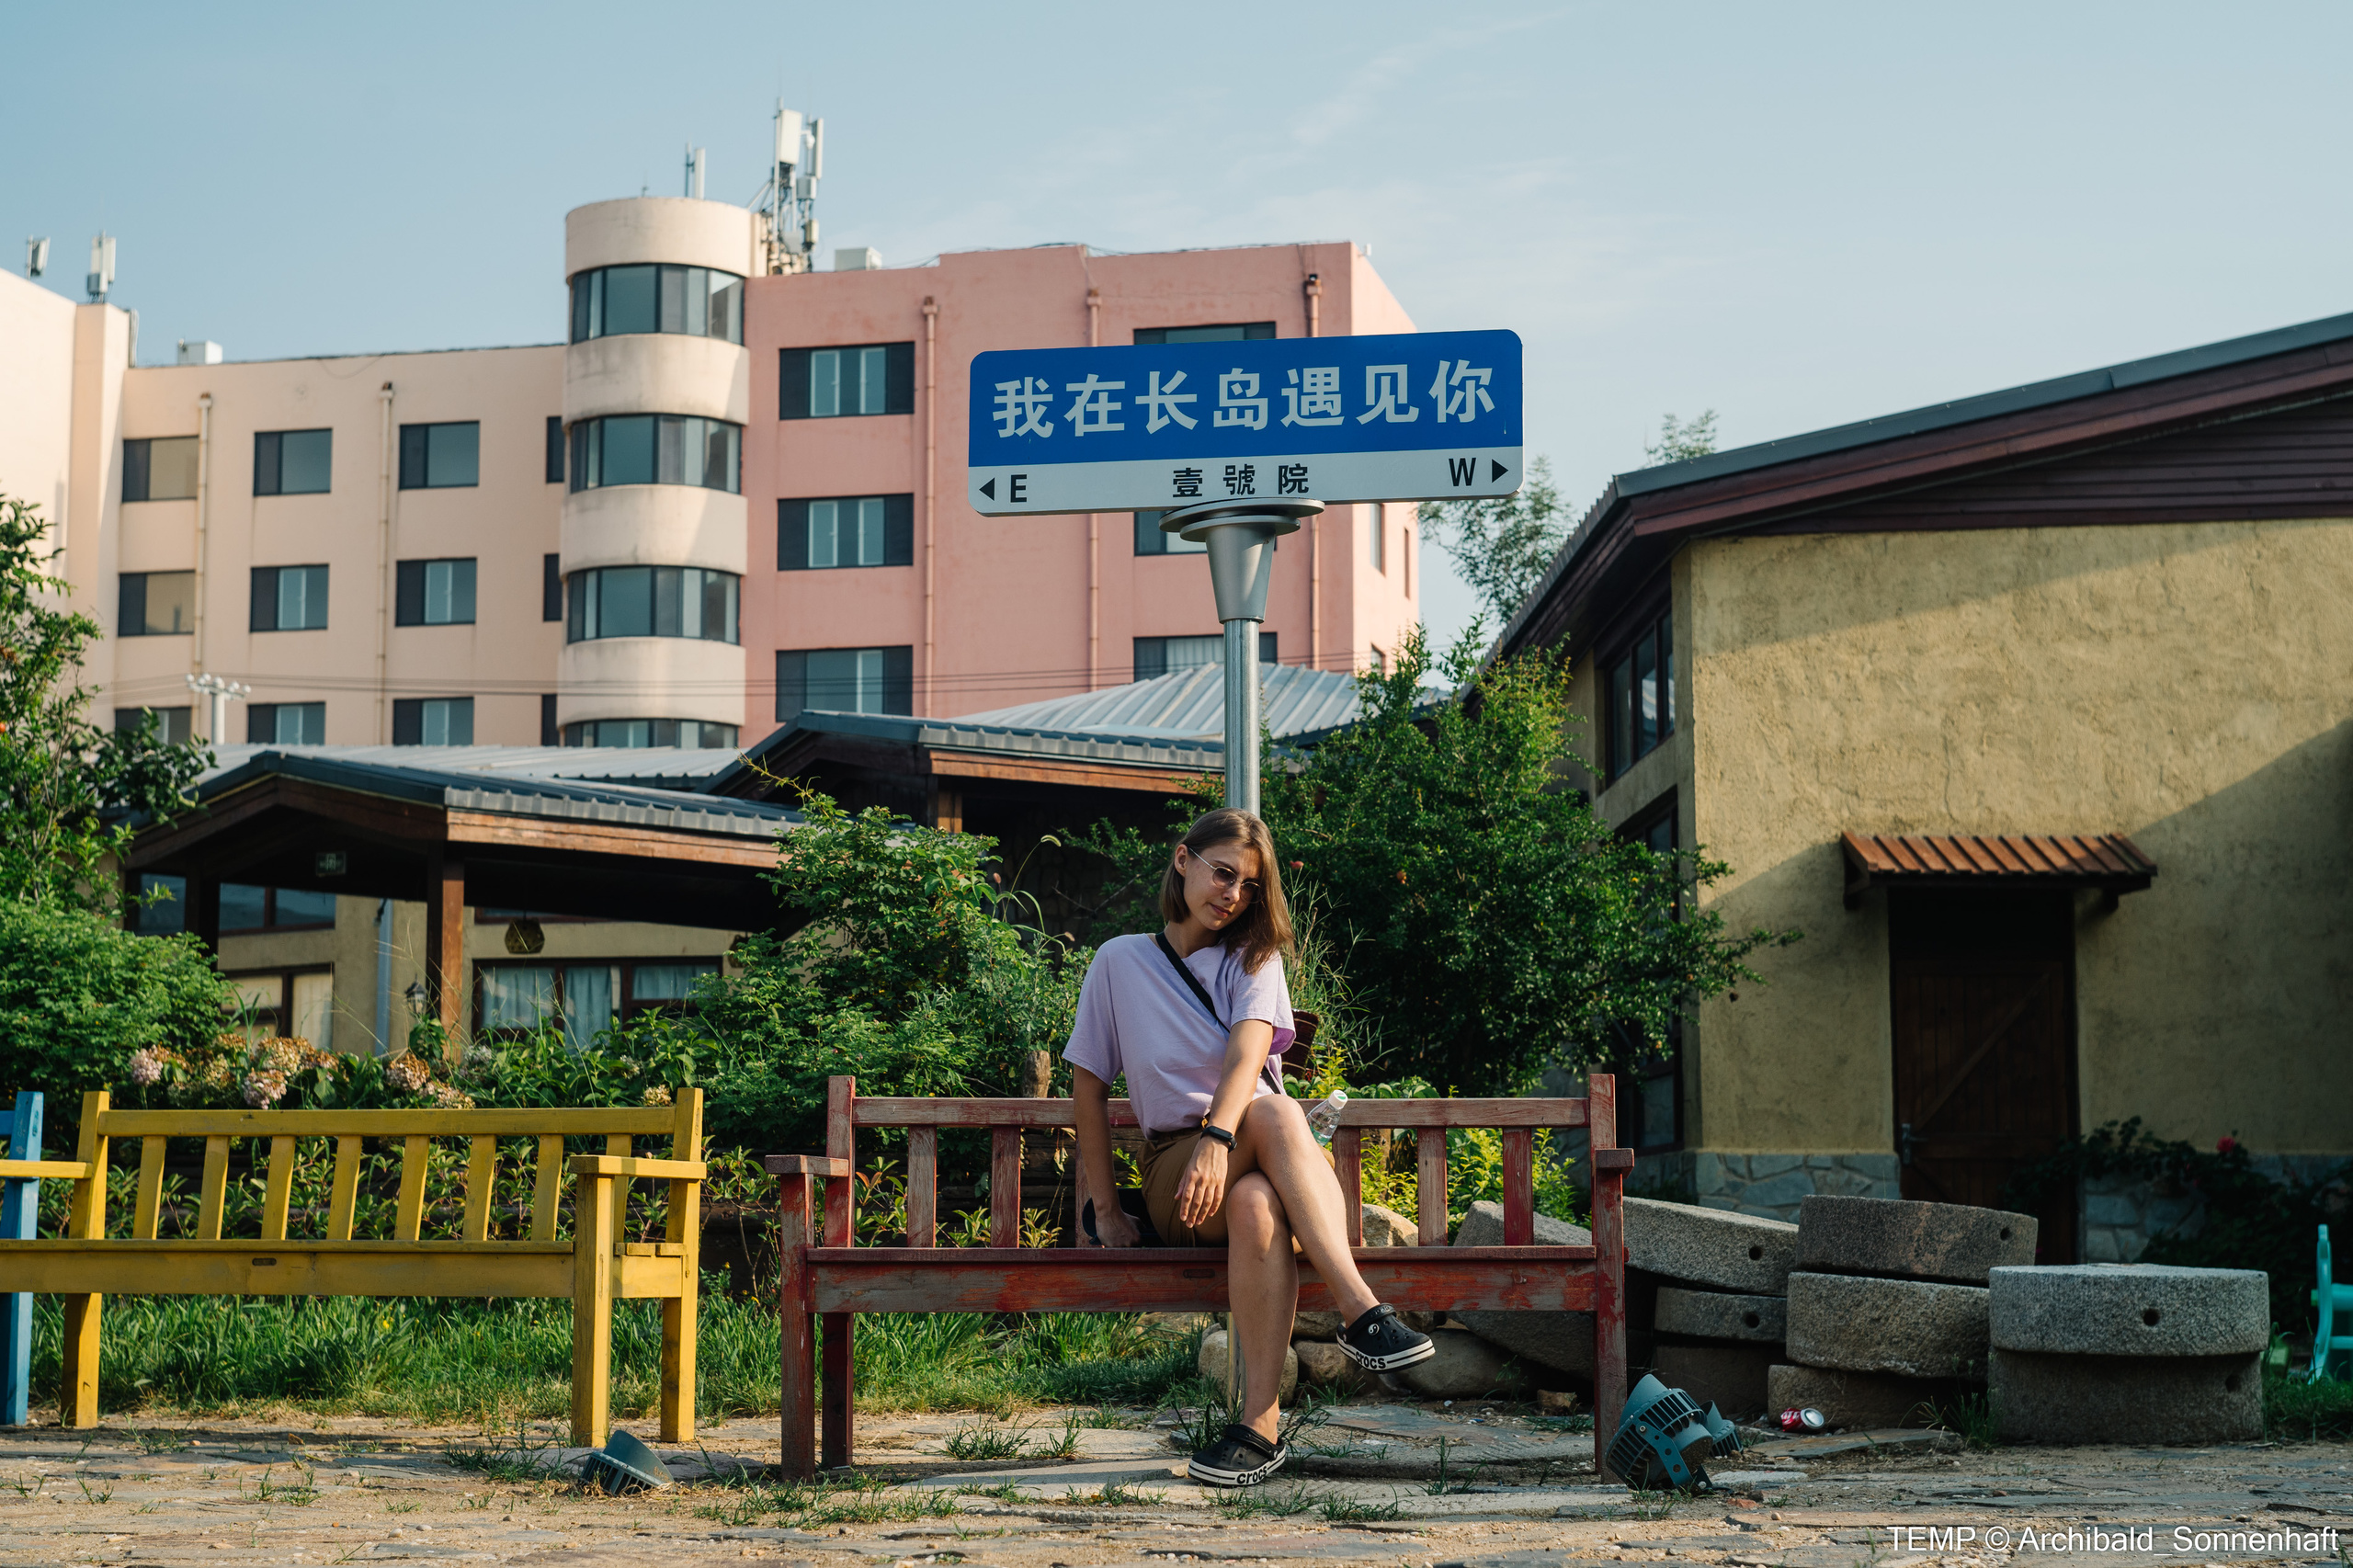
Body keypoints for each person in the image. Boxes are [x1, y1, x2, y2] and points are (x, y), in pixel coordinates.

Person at [1065, 807, 1434, 1488]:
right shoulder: (1119, 961)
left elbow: (1247, 1054)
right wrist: (1106, 1209)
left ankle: (1257, 1429)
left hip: (1254, 1158)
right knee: (1275, 1113)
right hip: (1180, 1173)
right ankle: (1361, 1311)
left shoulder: (1254, 957)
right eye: (1223, 873)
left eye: (1249, 886)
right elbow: (1088, 1089)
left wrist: (1220, 1135)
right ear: (1184, 861)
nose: (1232, 894)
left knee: (1260, 1200)